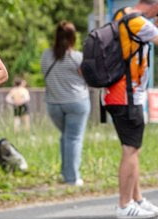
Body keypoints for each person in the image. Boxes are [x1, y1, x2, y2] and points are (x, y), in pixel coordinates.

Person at [103, 0, 158, 219]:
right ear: (156, 4)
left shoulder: (124, 14)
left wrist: (157, 22)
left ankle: (136, 199)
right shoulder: (137, 22)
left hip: (119, 93)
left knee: (133, 149)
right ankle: (124, 203)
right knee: (130, 150)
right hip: (126, 95)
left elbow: (136, 40)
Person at [41, 21, 90, 186]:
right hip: (77, 102)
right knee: (73, 139)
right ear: (73, 37)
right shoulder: (77, 57)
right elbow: (87, 77)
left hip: (54, 103)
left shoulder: (46, 55)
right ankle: (72, 178)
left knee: (66, 137)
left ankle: (65, 173)